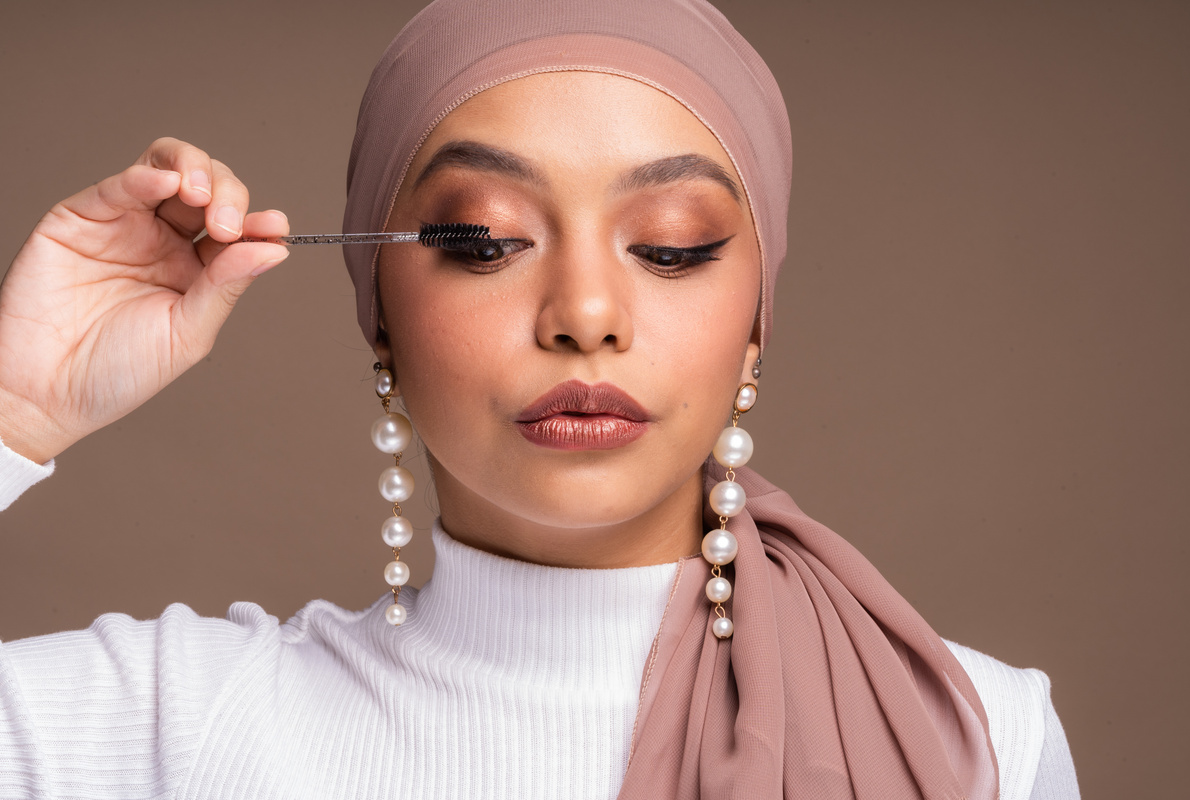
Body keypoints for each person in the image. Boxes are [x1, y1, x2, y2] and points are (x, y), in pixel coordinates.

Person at [0, 0, 1079, 797]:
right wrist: (15, 403)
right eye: (484, 240)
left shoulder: (979, 737)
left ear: (757, 319)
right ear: (379, 313)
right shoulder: (166, 726)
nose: (585, 312)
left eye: (672, 244)